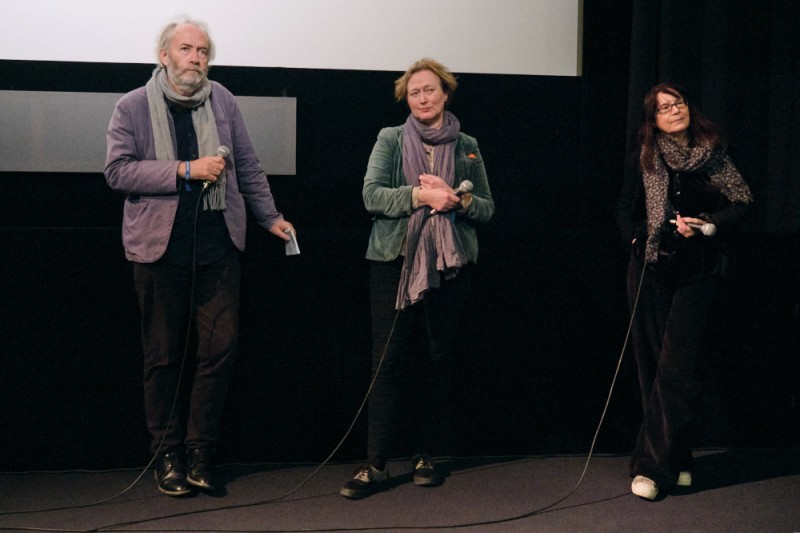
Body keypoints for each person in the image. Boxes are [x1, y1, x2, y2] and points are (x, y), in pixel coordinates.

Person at [104, 17, 294, 496]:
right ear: (164, 55)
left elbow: (247, 164)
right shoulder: (131, 106)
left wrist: (269, 217)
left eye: (203, 51)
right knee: (163, 355)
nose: (196, 58)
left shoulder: (223, 99)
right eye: (186, 49)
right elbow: (117, 172)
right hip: (158, 249)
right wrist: (185, 170)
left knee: (220, 350)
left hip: (217, 246)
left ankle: (199, 451)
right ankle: (165, 453)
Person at [339, 58, 495, 499]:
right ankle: (375, 463)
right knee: (387, 363)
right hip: (394, 263)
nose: (423, 98)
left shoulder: (467, 144)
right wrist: (420, 196)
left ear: (446, 93)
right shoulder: (390, 139)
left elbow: (487, 207)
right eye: (414, 93)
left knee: (434, 359)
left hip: (451, 266)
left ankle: (426, 454)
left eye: (430, 90)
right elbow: (370, 196)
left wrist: (457, 204)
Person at [614, 83, 753, 500]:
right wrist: (640, 238)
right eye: (663, 108)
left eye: (678, 103)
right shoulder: (644, 158)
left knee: (677, 368)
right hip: (651, 268)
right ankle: (681, 458)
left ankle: (651, 469)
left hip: (699, 271)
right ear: (652, 120)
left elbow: (743, 201)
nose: (674, 111)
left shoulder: (713, 154)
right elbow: (624, 210)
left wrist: (708, 224)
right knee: (652, 367)